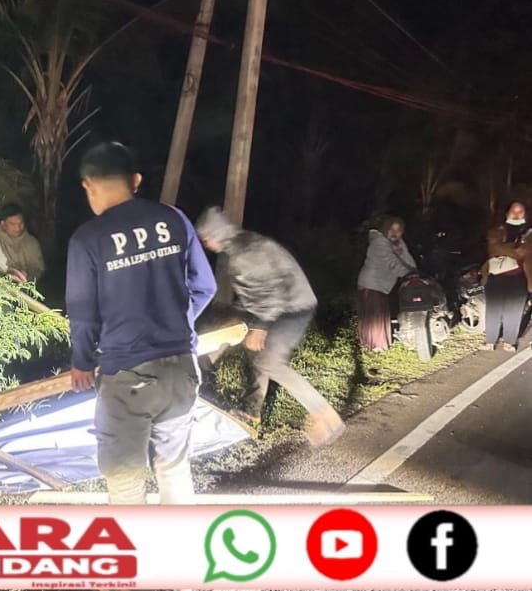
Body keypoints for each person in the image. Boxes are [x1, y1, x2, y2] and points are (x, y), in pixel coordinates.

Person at [65, 141, 217, 504]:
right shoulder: (174, 219)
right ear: (135, 180)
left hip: (127, 375)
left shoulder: (88, 239)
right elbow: (205, 286)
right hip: (181, 366)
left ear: (88, 185)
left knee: (125, 482)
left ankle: (135, 541)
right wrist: (174, 324)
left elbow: (83, 312)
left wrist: (82, 361)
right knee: (175, 470)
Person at [194, 206, 345, 447]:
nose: (206, 244)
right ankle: (251, 410)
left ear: (216, 233)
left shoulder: (245, 253)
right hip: (277, 305)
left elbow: (271, 294)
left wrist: (259, 327)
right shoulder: (240, 246)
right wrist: (238, 319)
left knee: (270, 362)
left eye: (206, 239)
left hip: (293, 307)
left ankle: (326, 416)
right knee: (252, 348)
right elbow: (254, 292)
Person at [356, 216, 417, 352]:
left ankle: (372, 343)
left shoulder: (398, 243)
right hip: (371, 283)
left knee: (380, 313)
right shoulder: (379, 242)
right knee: (375, 316)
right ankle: (376, 345)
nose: (395, 233)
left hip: (382, 283)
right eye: (391, 229)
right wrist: (409, 274)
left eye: (398, 230)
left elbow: (406, 257)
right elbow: (391, 263)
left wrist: (415, 272)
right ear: (385, 229)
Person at [481, 201, 531, 352]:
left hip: (520, 276)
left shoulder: (529, 233)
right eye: (513, 211)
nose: (516, 215)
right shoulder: (496, 230)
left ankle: (509, 341)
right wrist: (514, 250)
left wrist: (502, 248)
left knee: (514, 310)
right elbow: (493, 248)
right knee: (493, 309)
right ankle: (490, 341)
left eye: (520, 211)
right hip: (495, 276)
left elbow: (523, 252)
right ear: (507, 213)